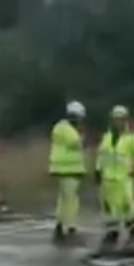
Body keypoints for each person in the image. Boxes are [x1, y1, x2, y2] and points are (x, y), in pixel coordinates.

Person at [96, 105, 134, 248]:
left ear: (125, 120)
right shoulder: (107, 137)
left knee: (128, 206)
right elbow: (102, 155)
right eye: (115, 119)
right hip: (108, 179)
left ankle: (132, 233)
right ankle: (113, 233)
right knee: (111, 208)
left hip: (125, 178)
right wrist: (98, 170)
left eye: (120, 119)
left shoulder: (132, 138)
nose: (117, 122)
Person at [49, 101, 87, 244]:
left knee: (63, 199)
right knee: (71, 200)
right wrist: (81, 134)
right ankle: (71, 228)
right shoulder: (68, 130)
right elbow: (77, 143)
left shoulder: (59, 127)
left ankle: (59, 226)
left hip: (61, 168)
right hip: (69, 169)